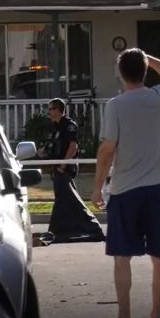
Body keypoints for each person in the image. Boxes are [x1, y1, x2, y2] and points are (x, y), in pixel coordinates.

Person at [91, 48, 160, 318]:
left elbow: (108, 149)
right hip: (158, 188)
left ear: (121, 74)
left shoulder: (117, 105)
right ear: (145, 71)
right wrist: (149, 58)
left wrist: (97, 187)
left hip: (125, 189)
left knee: (123, 256)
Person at [43, 98, 105, 243]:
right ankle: (57, 231)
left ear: (59, 110)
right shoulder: (55, 127)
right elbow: (53, 146)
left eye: (51, 109)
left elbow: (73, 147)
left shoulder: (68, 125)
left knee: (72, 200)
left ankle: (93, 228)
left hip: (64, 168)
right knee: (62, 200)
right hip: (56, 169)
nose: (49, 112)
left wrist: (62, 166)